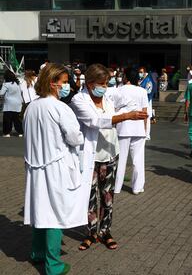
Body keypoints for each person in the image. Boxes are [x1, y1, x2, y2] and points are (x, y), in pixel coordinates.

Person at [70, 64, 147, 251]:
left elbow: (111, 117)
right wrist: (127, 116)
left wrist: (128, 116)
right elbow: (95, 122)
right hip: (89, 156)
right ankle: (91, 233)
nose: (105, 87)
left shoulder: (107, 99)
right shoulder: (79, 100)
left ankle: (105, 231)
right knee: (89, 197)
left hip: (110, 153)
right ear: (89, 84)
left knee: (107, 196)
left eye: (106, 83)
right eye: (101, 84)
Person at [24, 63, 84, 275]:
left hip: (35, 166)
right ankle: (53, 265)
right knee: (55, 215)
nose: (67, 86)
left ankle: (37, 252)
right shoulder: (60, 108)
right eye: (64, 83)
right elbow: (75, 137)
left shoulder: (31, 106)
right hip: (56, 166)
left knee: (40, 210)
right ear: (52, 84)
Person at [114, 69, 149, 195]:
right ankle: (137, 187)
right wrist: (145, 130)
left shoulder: (118, 90)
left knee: (120, 159)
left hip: (123, 127)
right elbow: (145, 112)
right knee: (138, 159)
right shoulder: (142, 91)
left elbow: (114, 109)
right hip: (138, 127)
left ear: (125, 77)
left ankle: (116, 187)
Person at [0, 69, 23, 137]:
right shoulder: (17, 84)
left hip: (9, 104)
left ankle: (7, 133)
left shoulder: (6, 84)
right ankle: (20, 132)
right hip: (18, 103)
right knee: (17, 119)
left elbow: (1, 93)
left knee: (8, 119)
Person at [138, 66, 156, 140]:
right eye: (139, 72)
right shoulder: (141, 80)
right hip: (141, 101)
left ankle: (147, 134)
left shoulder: (148, 80)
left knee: (147, 117)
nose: (140, 74)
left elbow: (148, 91)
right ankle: (142, 132)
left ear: (145, 72)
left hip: (147, 101)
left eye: (141, 72)